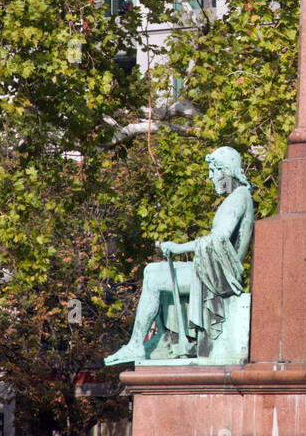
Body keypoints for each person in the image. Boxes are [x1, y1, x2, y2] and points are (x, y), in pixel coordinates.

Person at [105, 147, 254, 364]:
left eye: (213, 170)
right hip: (213, 269)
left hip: (219, 276)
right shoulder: (238, 196)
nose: (211, 176)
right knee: (151, 270)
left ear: (226, 171)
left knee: (154, 278)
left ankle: (136, 345)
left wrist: (178, 247)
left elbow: (218, 239)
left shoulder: (238, 197)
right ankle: (165, 339)